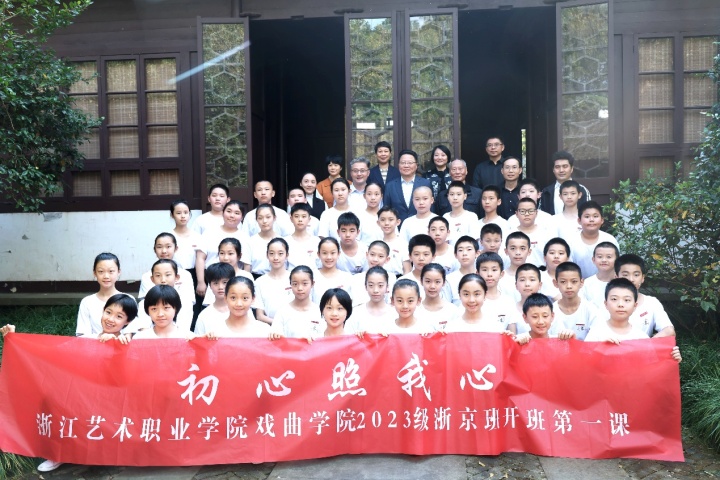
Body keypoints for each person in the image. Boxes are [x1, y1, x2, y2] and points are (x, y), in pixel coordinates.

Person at [584, 279, 681, 363]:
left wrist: (671, 359)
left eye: (627, 300)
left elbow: (651, 368)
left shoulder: (641, 337)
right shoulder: (596, 332)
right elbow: (584, 363)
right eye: (614, 299)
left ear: (635, 306)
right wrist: (599, 349)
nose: (620, 304)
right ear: (606, 304)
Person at [613, 254, 676, 338]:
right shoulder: (607, 303)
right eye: (625, 275)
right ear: (616, 277)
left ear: (642, 278)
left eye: (636, 275)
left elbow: (669, 331)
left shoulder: (651, 303)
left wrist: (648, 343)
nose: (631, 279)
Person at [195, 200, 247, 297]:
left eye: (237, 213)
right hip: (212, 280)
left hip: (235, 281)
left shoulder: (244, 237)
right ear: (223, 213)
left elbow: (246, 264)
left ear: (242, 217)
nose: (232, 215)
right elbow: (200, 258)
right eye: (229, 211)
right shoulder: (209, 233)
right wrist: (201, 282)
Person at [129, 259, 193, 332]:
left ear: (176, 277)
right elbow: (144, 329)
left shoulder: (185, 302)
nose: (163, 280)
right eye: (158, 275)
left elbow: (183, 329)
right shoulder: (144, 303)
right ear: (152, 279)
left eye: (168, 275)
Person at [76, 253, 130, 337]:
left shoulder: (128, 299)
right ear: (95, 273)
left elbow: (132, 331)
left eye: (111, 271)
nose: (106, 276)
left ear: (118, 272)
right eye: (101, 271)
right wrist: (101, 337)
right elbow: (82, 335)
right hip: (94, 344)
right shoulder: (87, 302)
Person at [137, 233, 194, 308]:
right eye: (159, 247)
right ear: (154, 249)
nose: (164, 251)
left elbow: (188, 301)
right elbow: (147, 301)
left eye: (168, 246)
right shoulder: (146, 276)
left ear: (176, 248)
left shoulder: (185, 275)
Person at [202, 277, 271, 338]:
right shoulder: (215, 331)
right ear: (225, 298)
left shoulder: (264, 331)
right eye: (233, 298)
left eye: (245, 298)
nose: (239, 304)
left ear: (253, 299)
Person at [568, 201, 619, 279]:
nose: (591, 220)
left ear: (602, 220)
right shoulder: (570, 241)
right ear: (579, 220)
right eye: (587, 216)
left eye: (595, 216)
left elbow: (617, 265)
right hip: (578, 283)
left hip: (607, 282)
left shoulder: (610, 240)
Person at [268, 266, 322, 339]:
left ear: (312, 284)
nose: (300, 288)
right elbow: (276, 336)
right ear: (290, 284)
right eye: (295, 284)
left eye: (305, 284)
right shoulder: (283, 312)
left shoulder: (319, 311)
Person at [446, 274, 513, 333]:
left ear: (485, 295)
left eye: (477, 294)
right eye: (466, 294)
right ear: (459, 295)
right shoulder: (451, 328)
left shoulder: (495, 327)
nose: (471, 300)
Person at [369, 279, 434, 334]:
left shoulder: (425, 330)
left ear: (418, 301)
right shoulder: (385, 330)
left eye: (410, 301)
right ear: (392, 301)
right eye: (400, 301)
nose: (405, 306)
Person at [552, 261, 598, 340]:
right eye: (563, 282)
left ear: (581, 282)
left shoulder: (590, 309)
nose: (569, 286)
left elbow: (596, 336)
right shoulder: (550, 311)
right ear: (556, 283)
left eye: (574, 281)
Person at [399, 234, 452, 301]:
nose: (421, 258)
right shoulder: (402, 282)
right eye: (416, 254)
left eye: (426, 254)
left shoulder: (442, 282)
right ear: (410, 256)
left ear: (433, 256)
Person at [383, 149, 432, 222]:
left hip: (421, 225)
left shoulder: (425, 183)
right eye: (403, 163)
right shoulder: (390, 186)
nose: (406, 165)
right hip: (397, 226)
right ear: (398, 165)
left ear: (416, 165)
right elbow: (386, 210)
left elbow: (431, 208)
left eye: (410, 163)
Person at [254, 238, 294, 324]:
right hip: (269, 327)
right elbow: (259, 315)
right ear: (267, 255)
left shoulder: (294, 279)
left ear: (287, 255)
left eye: (280, 254)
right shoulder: (260, 282)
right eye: (271, 253)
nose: (276, 258)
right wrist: (278, 324)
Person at [347, 266, 396, 334]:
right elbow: (348, 337)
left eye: (380, 286)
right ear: (365, 286)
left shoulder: (395, 313)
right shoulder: (356, 313)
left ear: (387, 287)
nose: (375, 290)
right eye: (371, 285)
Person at [540, 151, 591, 215]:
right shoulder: (546, 192)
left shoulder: (582, 190)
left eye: (565, 166)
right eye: (557, 167)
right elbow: (541, 216)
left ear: (571, 169)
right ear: (553, 170)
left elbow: (588, 213)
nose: (561, 170)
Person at [511, 293, 576, 344]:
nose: (541, 322)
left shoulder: (559, 342)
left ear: (552, 316)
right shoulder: (518, 340)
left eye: (545, 316)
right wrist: (515, 344)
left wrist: (572, 340)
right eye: (535, 317)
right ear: (525, 318)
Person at [509, 197, 554, 268]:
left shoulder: (546, 234)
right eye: (522, 211)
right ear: (516, 214)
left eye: (530, 211)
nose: (527, 214)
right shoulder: (510, 234)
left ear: (536, 213)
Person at [349, 240, 395, 306]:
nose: (375, 259)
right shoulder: (356, 279)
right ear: (367, 255)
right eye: (372, 255)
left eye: (380, 256)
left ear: (387, 259)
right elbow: (356, 303)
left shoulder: (391, 277)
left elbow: (391, 302)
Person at [193, 263, 234, 335]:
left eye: (225, 282)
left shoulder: (241, 310)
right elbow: (198, 339)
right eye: (216, 283)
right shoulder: (204, 315)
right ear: (210, 286)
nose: (220, 287)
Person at [476, 252, 515, 327]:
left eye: (494, 270)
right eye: (484, 270)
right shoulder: (472, 301)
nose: (489, 274)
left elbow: (512, 331)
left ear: (502, 274)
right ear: (477, 273)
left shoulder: (508, 302)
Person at [416, 263, 458, 331]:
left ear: (443, 283)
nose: (432, 286)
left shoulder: (452, 310)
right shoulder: (415, 310)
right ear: (421, 281)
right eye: (428, 281)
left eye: (437, 282)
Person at [312, 237, 354, 303]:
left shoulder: (347, 277)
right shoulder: (312, 276)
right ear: (318, 254)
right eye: (324, 253)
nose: (329, 257)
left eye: (332, 253)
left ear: (338, 254)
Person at [580, 242, 618, 309]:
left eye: (609, 257)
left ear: (617, 260)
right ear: (593, 260)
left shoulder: (623, 282)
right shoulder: (586, 284)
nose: (604, 260)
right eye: (600, 257)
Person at [284, 203, 321, 270]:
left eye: (304, 216)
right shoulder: (285, 241)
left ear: (309, 219)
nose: (300, 220)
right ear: (291, 219)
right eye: (296, 216)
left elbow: (320, 265)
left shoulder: (316, 241)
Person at [446, 236, 480, 307]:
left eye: (469, 249)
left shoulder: (484, 276)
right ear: (455, 255)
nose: (464, 253)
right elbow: (447, 305)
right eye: (460, 250)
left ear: (477, 253)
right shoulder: (449, 279)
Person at [497, 231, 532, 298]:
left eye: (522, 248)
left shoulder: (537, 275)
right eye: (513, 248)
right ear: (506, 251)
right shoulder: (500, 277)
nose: (518, 253)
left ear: (529, 252)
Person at [247, 204, 278, 275]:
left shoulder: (281, 241)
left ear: (274, 218)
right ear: (256, 220)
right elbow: (247, 268)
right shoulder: (250, 242)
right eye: (260, 218)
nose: (264, 221)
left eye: (268, 217)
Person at [377, 206, 407, 276]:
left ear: (398, 222)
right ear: (378, 223)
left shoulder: (403, 244)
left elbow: (407, 269)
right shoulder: (376, 244)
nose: (386, 223)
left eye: (391, 220)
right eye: (383, 220)